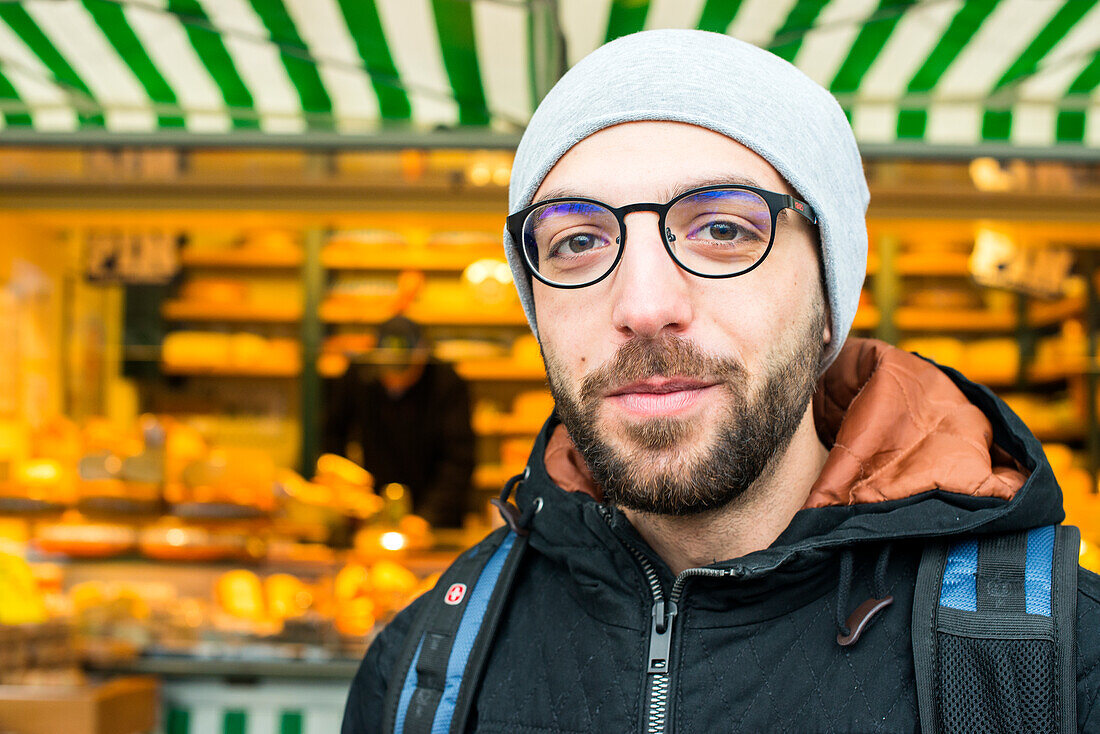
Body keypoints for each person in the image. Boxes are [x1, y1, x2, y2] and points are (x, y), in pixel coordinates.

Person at [343, 30, 1100, 732]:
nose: (643, 307)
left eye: (723, 229)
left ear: (832, 301)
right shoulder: (426, 669)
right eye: (576, 239)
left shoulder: (1056, 669)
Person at [324, 316, 474, 528]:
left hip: (435, 515)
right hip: (371, 509)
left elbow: (459, 460)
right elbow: (332, 435)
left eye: (404, 369)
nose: (396, 379)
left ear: (422, 354)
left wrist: (428, 516)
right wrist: (346, 488)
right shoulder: (358, 375)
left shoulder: (447, 383)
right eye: (388, 368)